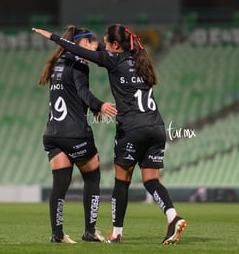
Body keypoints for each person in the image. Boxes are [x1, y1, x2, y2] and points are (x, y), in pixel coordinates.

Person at [33, 24, 187, 245]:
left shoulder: (111, 60)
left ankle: (115, 233)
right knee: (152, 181)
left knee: (121, 182)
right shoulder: (142, 63)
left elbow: (82, 54)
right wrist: (96, 107)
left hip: (130, 130)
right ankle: (173, 216)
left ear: (116, 45)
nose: (102, 47)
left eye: (106, 43)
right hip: (156, 127)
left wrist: (54, 38)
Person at [38, 25, 117, 243]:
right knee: (92, 176)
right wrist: (99, 106)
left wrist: (92, 109)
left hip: (53, 134)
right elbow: (83, 93)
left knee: (60, 184)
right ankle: (90, 230)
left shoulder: (57, 64)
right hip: (75, 134)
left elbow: (72, 95)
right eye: (91, 45)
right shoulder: (80, 64)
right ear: (81, 44)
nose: (93, 51)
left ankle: (57, 234)